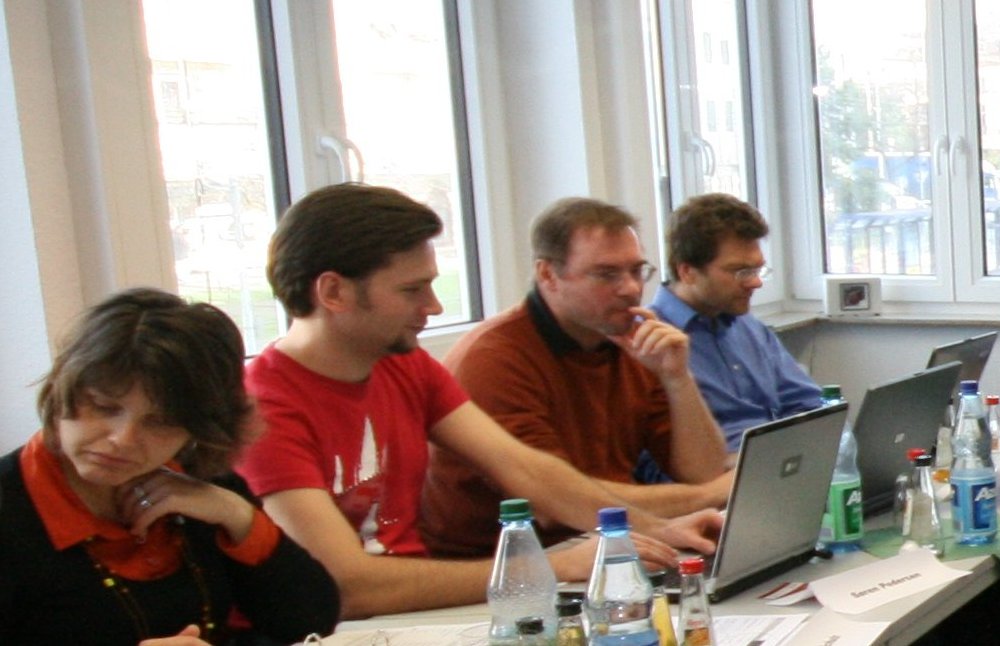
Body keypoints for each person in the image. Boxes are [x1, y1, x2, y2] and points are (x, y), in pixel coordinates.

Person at [235, 184, 716, 619]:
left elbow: (527, 470)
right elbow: (347, 586)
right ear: (333, 291)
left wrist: (653, 530)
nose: (434, 306)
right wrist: (553, 566)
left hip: (415, 616)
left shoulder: (404, 365)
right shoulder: (265, 408)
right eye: (412, 289)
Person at [0, 289, 340, 644]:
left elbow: (312, 620)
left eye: (160, 422)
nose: (123, 439)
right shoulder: (12, 508)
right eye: (103, 406)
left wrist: (236, 514)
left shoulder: (199, 479)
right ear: (60, 391)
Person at [422, 198, 734, 556]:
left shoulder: (628, 338)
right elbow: (553, 504)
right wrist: (704, 497)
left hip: (610, 537)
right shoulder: (495, 359)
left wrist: (677, 379)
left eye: (637, 271)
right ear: (547, 275)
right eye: (607, 274)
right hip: (507, 561)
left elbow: (704, 470)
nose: (631, 289)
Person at [650, 193, 825, 450]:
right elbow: (657, 455)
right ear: (686, 271)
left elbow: (809, 405)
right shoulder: (649, 344)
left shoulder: (750, 328)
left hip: (772, 461)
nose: (756, 282)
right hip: (714, 470)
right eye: (740, 271)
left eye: (757, 269)